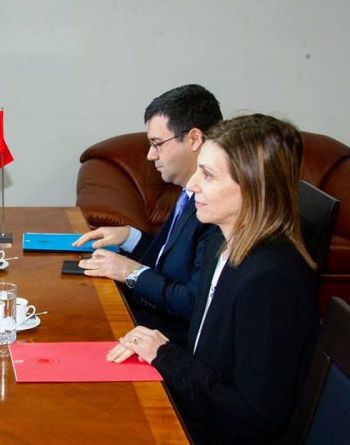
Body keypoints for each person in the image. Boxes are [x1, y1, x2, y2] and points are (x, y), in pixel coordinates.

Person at [107, 114, 319, 444]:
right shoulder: (221, 242)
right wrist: (154, 345)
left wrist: (165, 356)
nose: (192, 185)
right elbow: (206, 347)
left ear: (254, 187)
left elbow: (256, 417)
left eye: (207, 175)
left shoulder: (272, 279)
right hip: (196, 408)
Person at [74, 84, 222, 343]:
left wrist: (131, 272)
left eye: (157, 144)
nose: (150, 155)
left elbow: (194, 304)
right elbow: (172, 261)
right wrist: (129, 237)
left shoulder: (215, 208)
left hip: (169, 340)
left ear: (194, 139)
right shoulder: (187, 192)